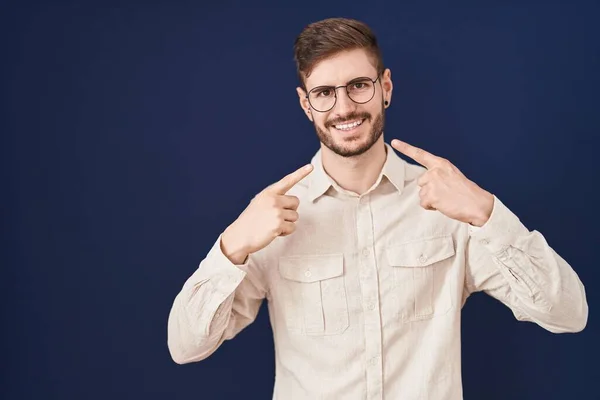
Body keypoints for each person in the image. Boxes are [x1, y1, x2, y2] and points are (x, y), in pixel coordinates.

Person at [167, 17, 588, 400]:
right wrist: (233, 245)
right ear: (305, 103)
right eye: (324, 93)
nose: (345, 107)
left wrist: (486, 212)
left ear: (385, 87)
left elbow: (569, 314)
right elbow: (185, 347)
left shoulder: (447, 205)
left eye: (358, 85)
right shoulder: (274, 218)